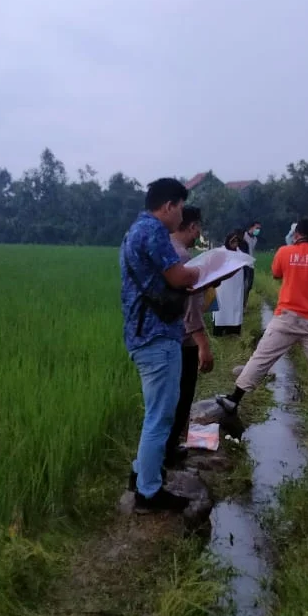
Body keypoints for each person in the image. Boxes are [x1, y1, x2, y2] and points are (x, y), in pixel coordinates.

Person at [216, 219, 308, 433]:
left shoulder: (285, 252)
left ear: (296, 234)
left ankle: (234, 399)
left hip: (286, 317)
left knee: (261, 358)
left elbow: (277, 274)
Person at [120, 178, 200, 512]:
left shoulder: (134, 230)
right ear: (168, 206)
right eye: (180, 208)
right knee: (160, 418)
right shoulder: (154, 231)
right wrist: (201, 273)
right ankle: (148, 493)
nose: (181, 217)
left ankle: (141, 474)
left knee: (156, 413)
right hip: (156, 335)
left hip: (143, 333)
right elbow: (179, 277)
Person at [163, 206, 214, 466]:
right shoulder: (183, 257)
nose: (198, 234)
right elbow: (192, 311)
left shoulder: (162, 248)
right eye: (198, 228)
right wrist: (203, 345)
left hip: (161, 336)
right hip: (182, 340)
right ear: (192, 226)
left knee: (166, 399)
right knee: (182, 398)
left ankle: (164, 450)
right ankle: (169, 451)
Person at [212, 229, 246, 336]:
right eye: (232, 241)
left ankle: (233, 331)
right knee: (222, 308)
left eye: (236, 242)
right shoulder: (220, 252)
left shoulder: (240, 254)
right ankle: (220, 330)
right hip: (223, 287)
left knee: (235, 307)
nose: (234, 244)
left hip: (235, 287)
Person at [242, 222, 261, 306]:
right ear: (251, 227)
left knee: (249, 286)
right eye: (256, 228)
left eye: (259, 229)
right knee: (243, 285)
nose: (258, 230)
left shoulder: (255, 239)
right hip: (243, 264)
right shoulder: (244, 236)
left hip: (251, 264)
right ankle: (241, 304)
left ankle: (245, 303)